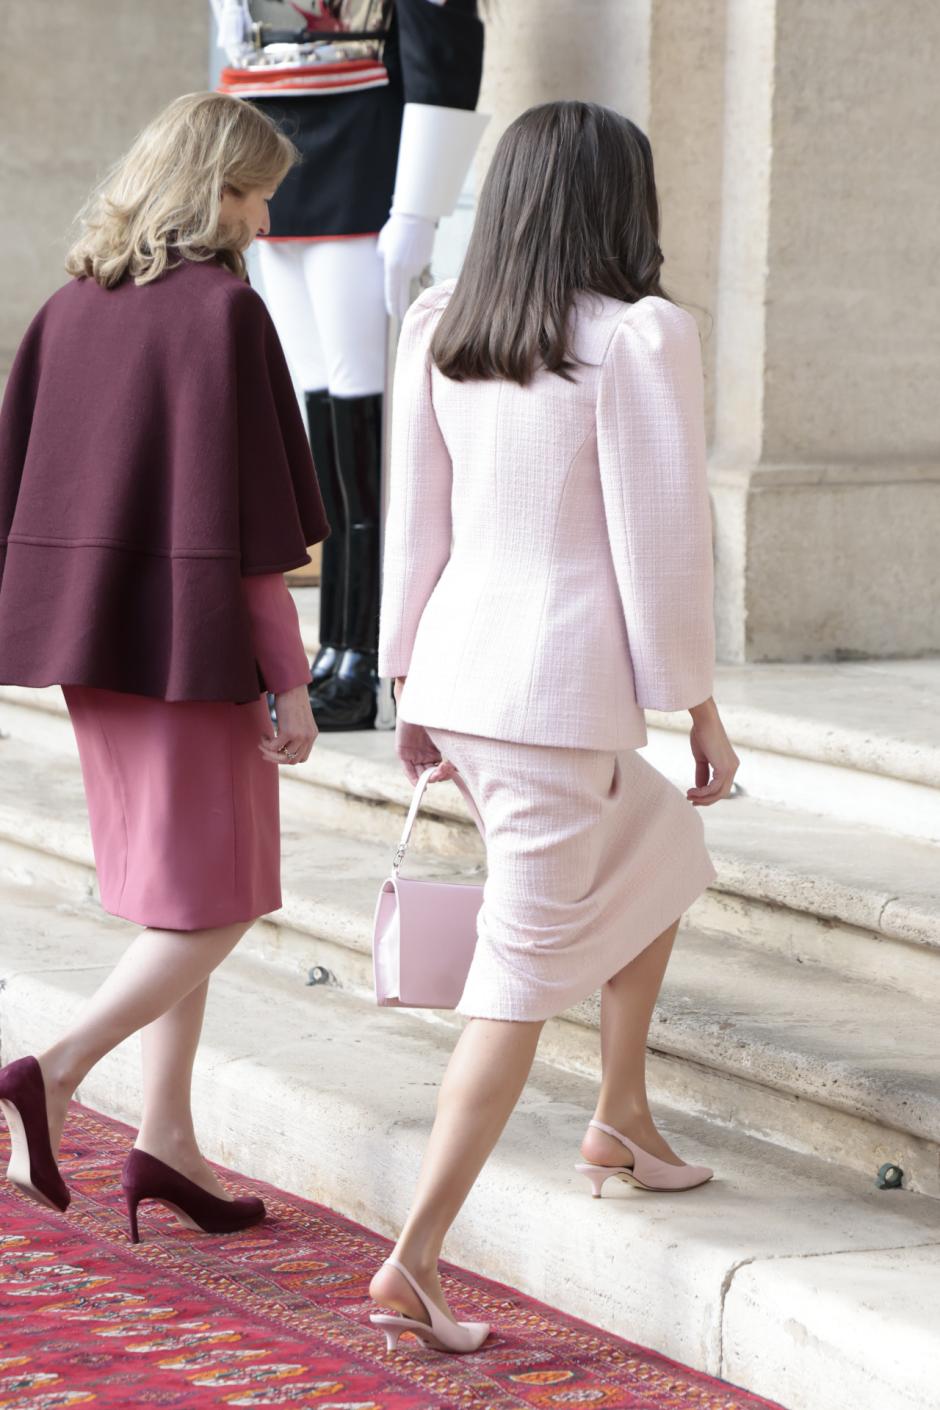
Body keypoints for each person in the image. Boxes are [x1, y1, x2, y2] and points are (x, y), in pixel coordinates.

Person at [370, 100, 740, 1353]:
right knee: (515, 983)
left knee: (665, 855)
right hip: (548, 702)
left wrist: (407, 688)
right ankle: (414, 1260)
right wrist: (697, 706)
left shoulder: (442, 325)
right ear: (614, 204)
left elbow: (413, 529)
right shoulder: (639, 338)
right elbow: (659, 543)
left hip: (471, 686)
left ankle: (623, 1115)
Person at [0, 92, 327, 1243]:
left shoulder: (65, 312)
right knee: (220, 901)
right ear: (210, 192)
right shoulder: (222, 317)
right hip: (194, 655)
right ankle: (59, 1066)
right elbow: (250, 538)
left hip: (99, 644)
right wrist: (288, 682)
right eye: (252, 191)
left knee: (176, 891)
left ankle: (169, 1138)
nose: (266, 213)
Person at [212, 0, 487, 731]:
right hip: (279, 155)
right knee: (323, 419)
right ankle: (333, 648)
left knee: (362, 427)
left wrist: (419, 208)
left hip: (362, 163)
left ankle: (364, 656)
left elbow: (444, 49)